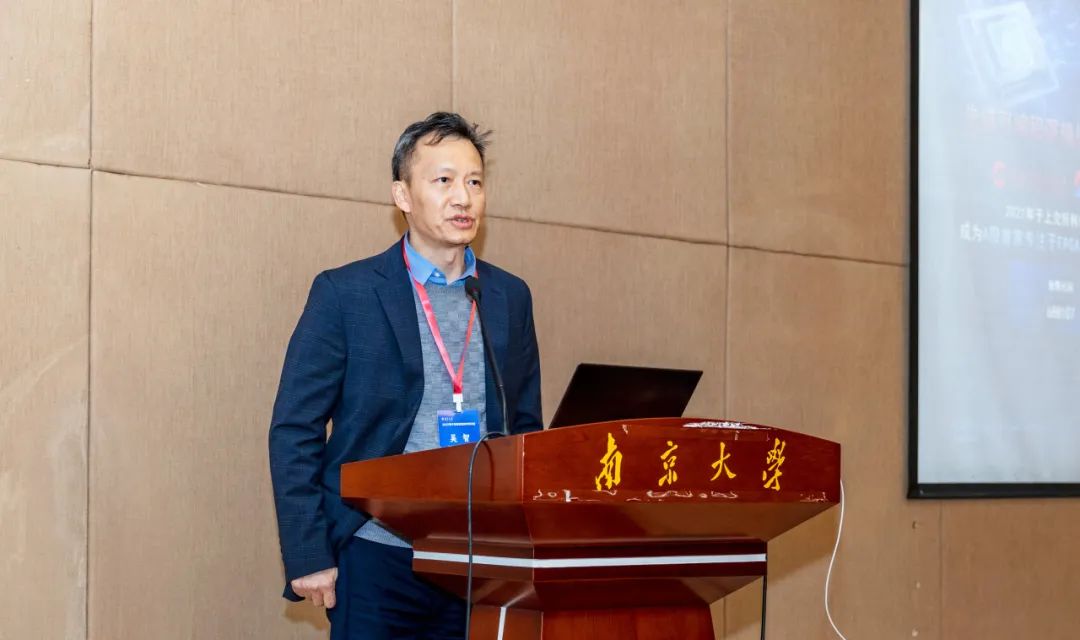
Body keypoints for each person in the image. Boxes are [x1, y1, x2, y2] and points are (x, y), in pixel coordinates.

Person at [268, 112, 543, 639]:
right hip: (376, 553)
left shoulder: (509, 296)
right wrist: (309, 552)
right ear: (402, 195)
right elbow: (294, 429)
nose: (463, 197)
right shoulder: (346, 294)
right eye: (443, 180)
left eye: (474, 182)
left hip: (479, 562)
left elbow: (526, 427)